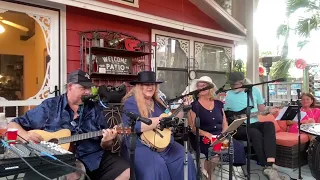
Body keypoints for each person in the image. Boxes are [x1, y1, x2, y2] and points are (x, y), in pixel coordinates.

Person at [8, 70, 130, 180]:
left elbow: (106, 145)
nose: (88, 92)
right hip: (59, 159)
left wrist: (107, 141)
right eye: (83, 88)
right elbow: (12, 125)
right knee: (72, 174)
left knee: (126, 170)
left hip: (93, 156)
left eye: (89, 88)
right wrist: (26, 135)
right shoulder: (50, 106)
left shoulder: (95, 108)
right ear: (70, 87)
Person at [121, 71, 196, 180]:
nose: (150, 87)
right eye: (146, 84)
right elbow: (134, 126)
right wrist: (159, 120)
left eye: (153, 84)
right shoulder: (131, 102)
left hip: (163, 142)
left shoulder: (159, 102)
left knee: (185, 157)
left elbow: (172, 118)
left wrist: (182, 108)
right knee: (157, 166)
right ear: (139, 86)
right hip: (139, 144)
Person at [224, 72, 282, 180]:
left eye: (235, 84)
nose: (233, 87)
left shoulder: (254, 90)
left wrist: (269, 111)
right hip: (238, 127)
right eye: (232, 84)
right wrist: (233, 117)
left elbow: (261, 110)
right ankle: (266, 165)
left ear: (243, 82)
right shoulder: (228, 94)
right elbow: (225, 113)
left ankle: (269, 163)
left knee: (269, 125)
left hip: (253, 122)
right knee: (255, 133)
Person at [186, 76, 246, 178]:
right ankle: (209, 175)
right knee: (215, 152)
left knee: (237, 147)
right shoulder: (193, 105)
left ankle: (211, 169)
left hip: (220, 136)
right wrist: (208, 135)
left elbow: (224, 122)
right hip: (202, 137)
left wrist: (225, 133)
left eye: (204, 85)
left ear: (210, 88)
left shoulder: (218, 104)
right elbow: (193, 128)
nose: (201, 87)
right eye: (199, 85)